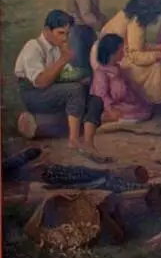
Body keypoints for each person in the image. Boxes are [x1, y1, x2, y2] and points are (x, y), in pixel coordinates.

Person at [15, 10, 108, 162]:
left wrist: (78, 77)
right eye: (60, 33)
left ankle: (88, 143)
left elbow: (62, 75)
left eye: (67, 33)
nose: (65, 38)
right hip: (34, 95)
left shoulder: (57, 48)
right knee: (75, 90)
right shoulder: (33, 47)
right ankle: (73, 141)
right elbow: (40, 82)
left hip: (52, 92)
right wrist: (63, 59)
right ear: (46, 31)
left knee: (95, 99)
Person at [93, 0, 161, 105]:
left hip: (112, 54)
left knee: (157, 58)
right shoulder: (136, 22)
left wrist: (160, 47)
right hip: (111, 60)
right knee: (156, 66)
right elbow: (135, 55)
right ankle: (152, 99)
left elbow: (136, 45)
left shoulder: (130, 15)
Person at [90, 34, 152, 124]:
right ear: (112, 53)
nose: (123, 54)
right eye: (121, 51)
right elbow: (101, 95)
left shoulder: (118, 69)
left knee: (144, 111)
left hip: (123, 103)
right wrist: (111, 110)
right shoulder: (101, 73)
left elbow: (129, 86)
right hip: (111, 106)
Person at [67, 0, 107, 74]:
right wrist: (101, 27)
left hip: (86, 26)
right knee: (82, 67)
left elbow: (94, 10)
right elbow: (86, 14)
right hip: (79, 29)